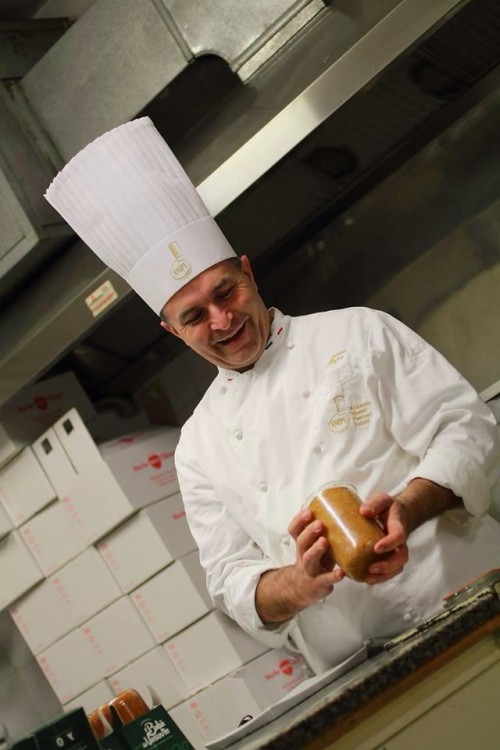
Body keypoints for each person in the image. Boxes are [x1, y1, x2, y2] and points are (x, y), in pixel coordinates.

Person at [45, 118, 500, 674]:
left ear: (248, 272)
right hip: (363, 672)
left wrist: (408, 506)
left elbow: (465, 429)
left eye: (226, 291)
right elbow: (231, 581)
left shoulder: (358, 332)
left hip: (471, 600)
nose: (222, 320)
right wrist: (299, 582)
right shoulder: (198, 446)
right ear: (173, 332)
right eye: (194, 316)